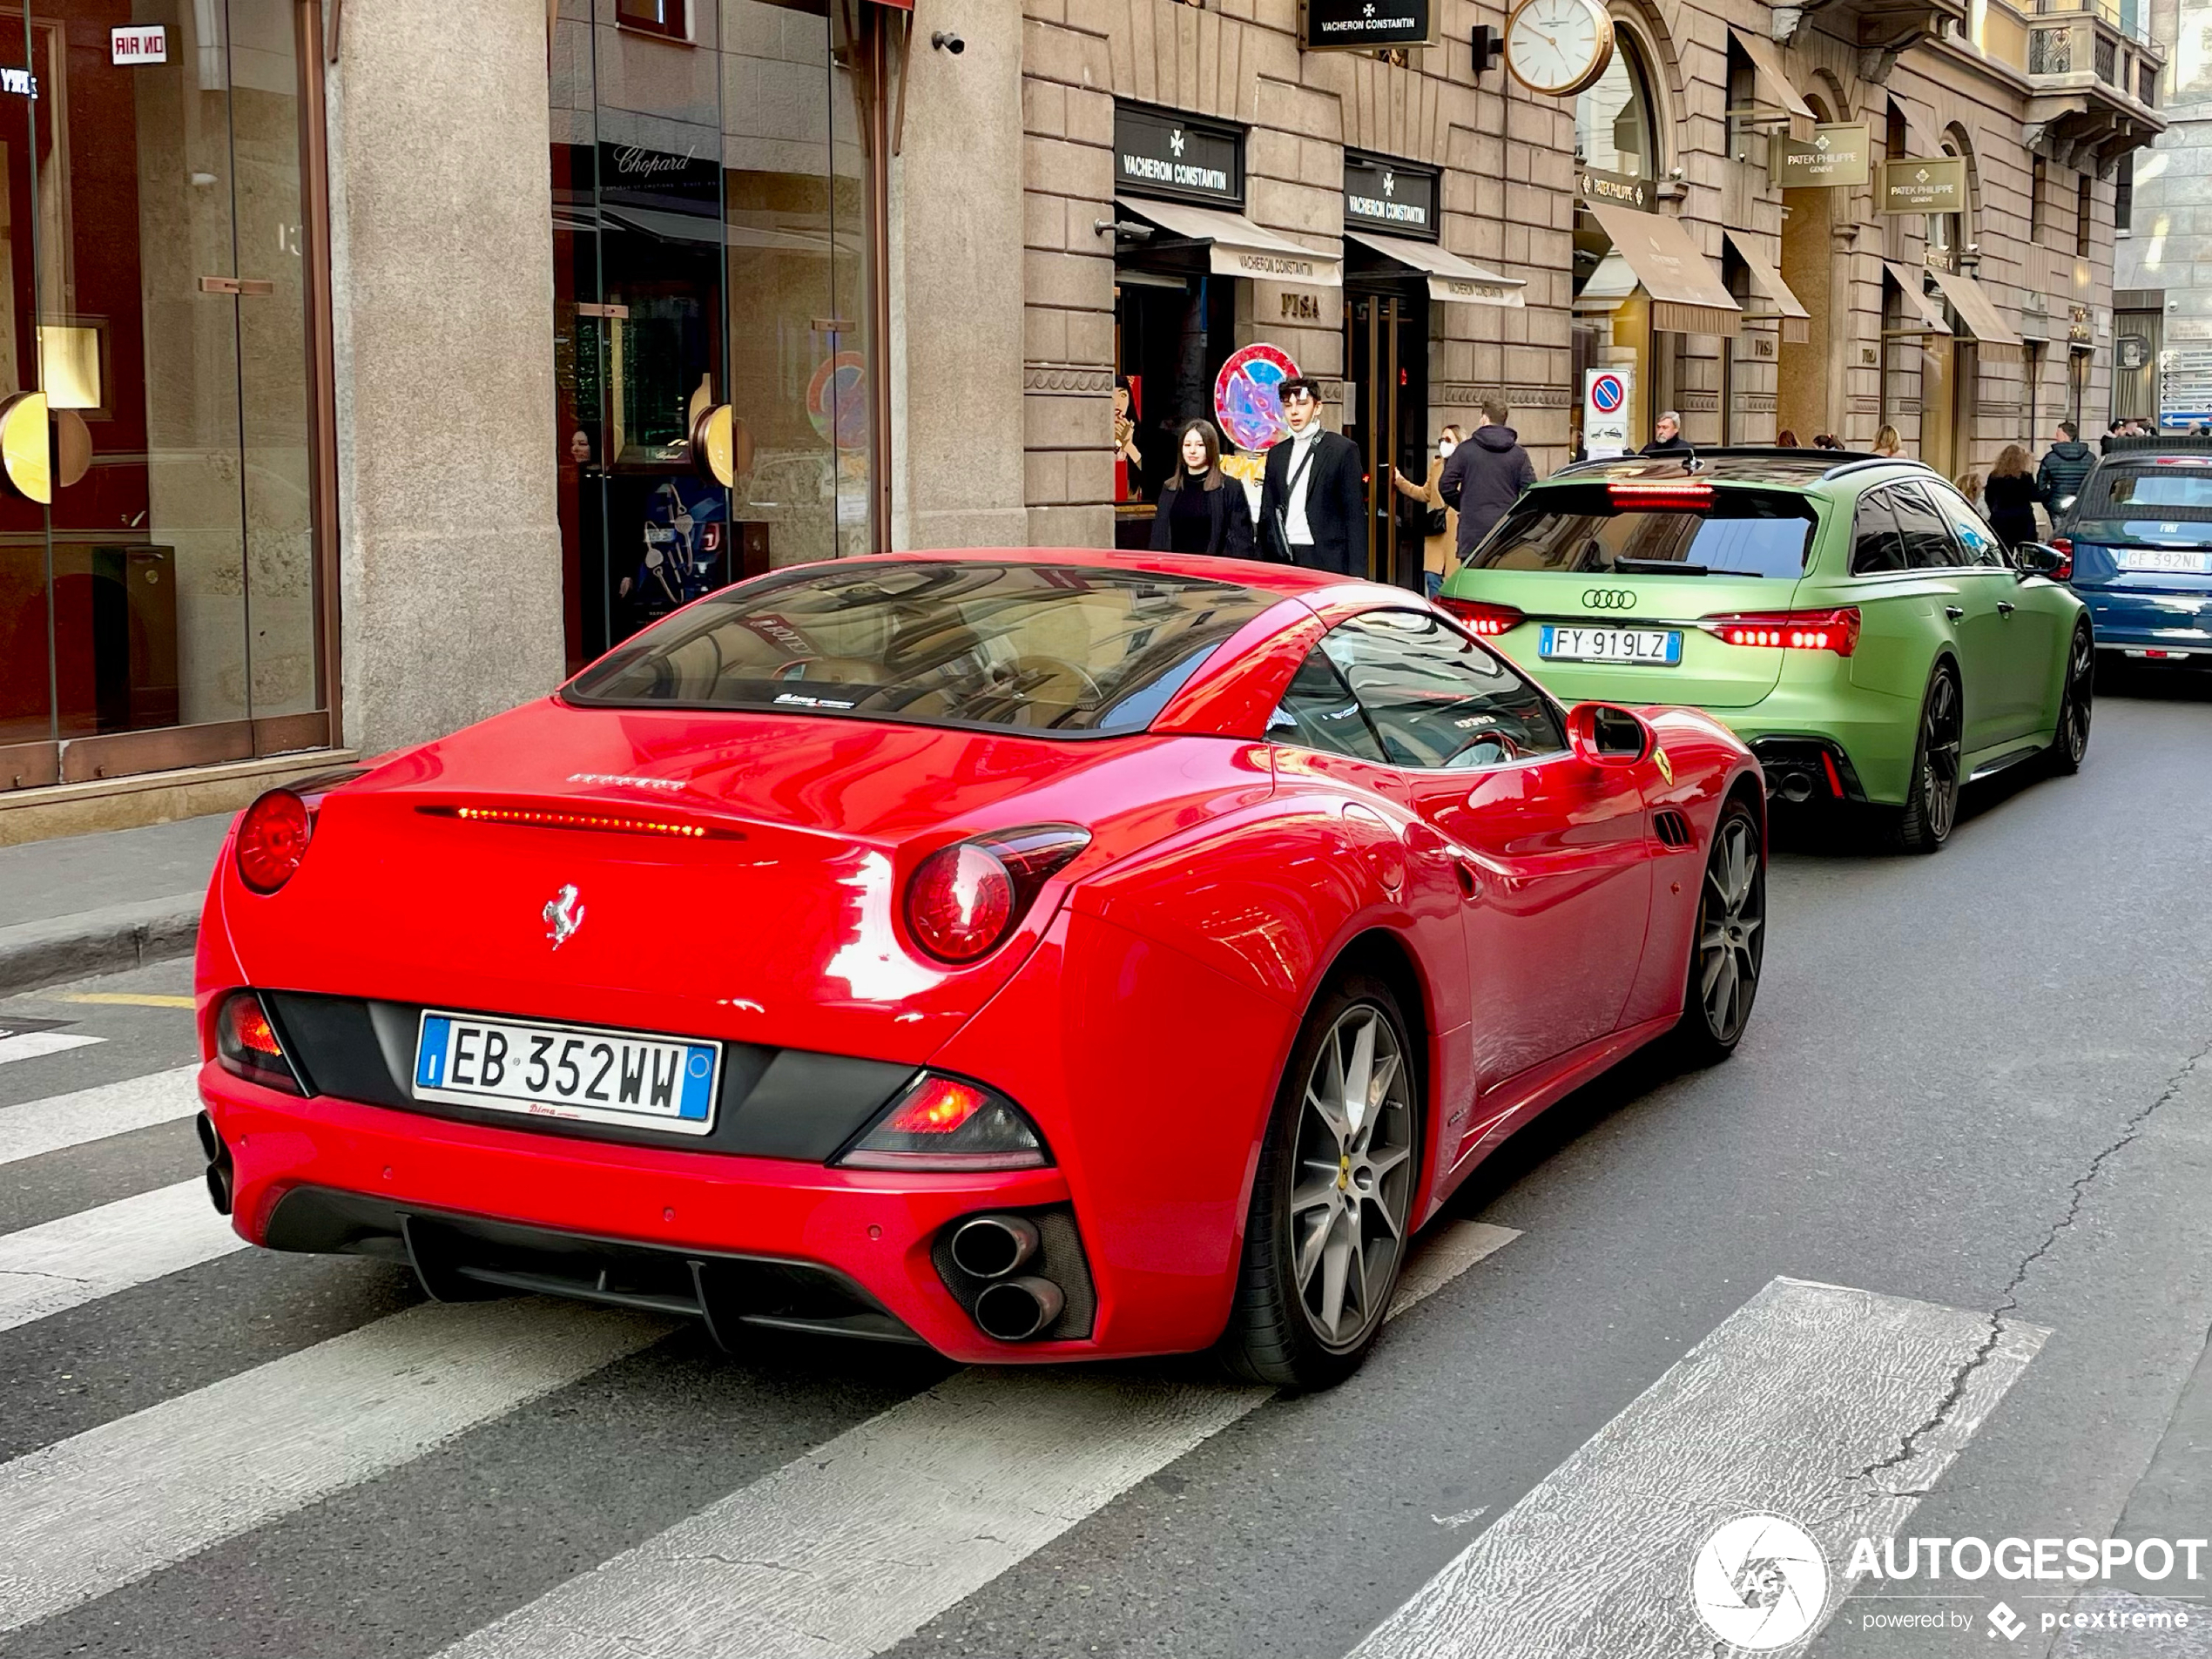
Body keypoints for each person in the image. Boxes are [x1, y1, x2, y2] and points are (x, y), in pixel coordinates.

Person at [1258, 377, 1365, 573]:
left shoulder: (1342, 450)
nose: (1294, 411)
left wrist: (1357, 574)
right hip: (1283, 556)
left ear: (1317, 408)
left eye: (1302, 404)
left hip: (1327, 557)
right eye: (1288, 405)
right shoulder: (1277, 454)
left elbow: (1354, 516)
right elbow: (1267, 512)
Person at [1440, 401, 1537, 562]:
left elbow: (1445, 486)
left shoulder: (1465, 450)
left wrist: (1464, 504)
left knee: (1471, 585)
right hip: (1505, 533)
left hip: (1472, 534)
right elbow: (1530, 491)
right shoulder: (1519, 454)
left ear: (1484, 419)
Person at [1150, 419, 1253, 558]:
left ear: (1211, 448)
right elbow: (1158, 538)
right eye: (1187, 445)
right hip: (1174, 573)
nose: (1192, 451)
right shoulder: (1170, 488)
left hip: (1213, 573)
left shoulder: (1229, 488)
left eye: (1200, 445)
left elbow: (1241, 543)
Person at [1393, 426, 1461, 598]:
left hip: (1457, 535)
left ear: (1459, 443)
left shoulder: (1468, 467)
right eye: (1441, 440)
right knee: (1433, 582)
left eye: (1448, 440)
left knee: (1453, 588)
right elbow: (1424, 493)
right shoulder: (1437, 466)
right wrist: (1400, 481)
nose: (1443, 444)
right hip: (1437, 534)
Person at [1984, 443, 2040, 550]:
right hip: (2022, 519)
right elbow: (2033, 495)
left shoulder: (1994, 476)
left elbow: (1988, 497)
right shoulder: (2024, 476)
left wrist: (1995, 511)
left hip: (2001, 518)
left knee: (2004, 551)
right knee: (2024, 550)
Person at [2036, 420, 2096, 513]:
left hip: (2057, 504)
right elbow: (2095, 482)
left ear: (2064, 435)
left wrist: (2048, 501)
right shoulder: (2090, 457)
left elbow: (2041, 485)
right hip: (2082, 504)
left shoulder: (2050, 458)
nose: (2055, 438)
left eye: (2057, 434)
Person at [1112, 376, 1144, 500]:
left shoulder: (1138, 433)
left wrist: (1129, 447)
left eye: (1123, 396)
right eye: (1112, 395)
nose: (1118, 403)